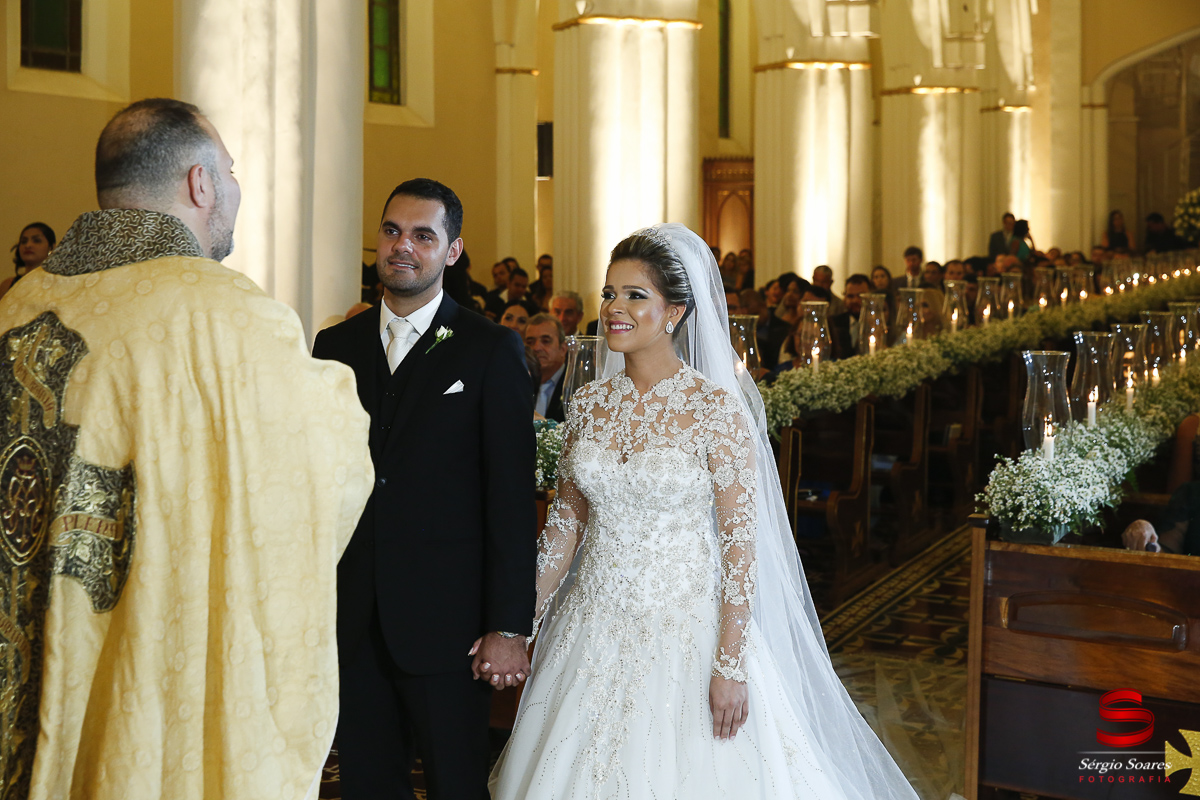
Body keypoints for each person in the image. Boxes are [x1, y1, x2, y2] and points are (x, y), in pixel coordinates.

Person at [0, 97, 374, 798]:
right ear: (199, 184)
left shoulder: (17, 305)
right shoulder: (229, 321)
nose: (234, 188)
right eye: (229, 171)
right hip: (152, 681)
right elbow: (329, 472)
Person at [490, 224, 921, 800]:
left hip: (686, 630)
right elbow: (565, 528)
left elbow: (741, 545)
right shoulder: (590, 402)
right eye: (610, 293)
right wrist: (520, 625)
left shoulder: (714, 408)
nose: (615, 308)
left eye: (635, 295)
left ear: (675, 312)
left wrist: (730, 666)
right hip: (592, 625)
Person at [313, 178, 536, 798]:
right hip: (353, 619)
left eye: (422, 235)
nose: (402, 246)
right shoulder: (333, 348)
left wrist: (508, 625)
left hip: (449, 625)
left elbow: (510, 500)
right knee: (365, 783)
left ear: (452, 251)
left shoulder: (490, 349)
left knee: (456, 784)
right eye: (391, 231)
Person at [525, 313, 567, 422]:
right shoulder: (519, 381)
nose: (537, 347)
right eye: (530, 342)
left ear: (563, 349)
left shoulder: (573, 385)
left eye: (546, 341)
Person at [739, 288, 789, 371]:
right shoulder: (742, 328)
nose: (754, 319)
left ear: (764, 305)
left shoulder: (783, 328)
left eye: (755, 313)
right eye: (749, 316)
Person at [2, 222, 55, 299]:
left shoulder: (59, 282)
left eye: (36, 240)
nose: (28, 245)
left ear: (51, 247)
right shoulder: (7, 285)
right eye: (23, 241)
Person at [830, 274, 871, 359]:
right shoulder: (835, 323)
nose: (855, 300)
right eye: (850, 296)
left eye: (861, 296)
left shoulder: (878, 323)